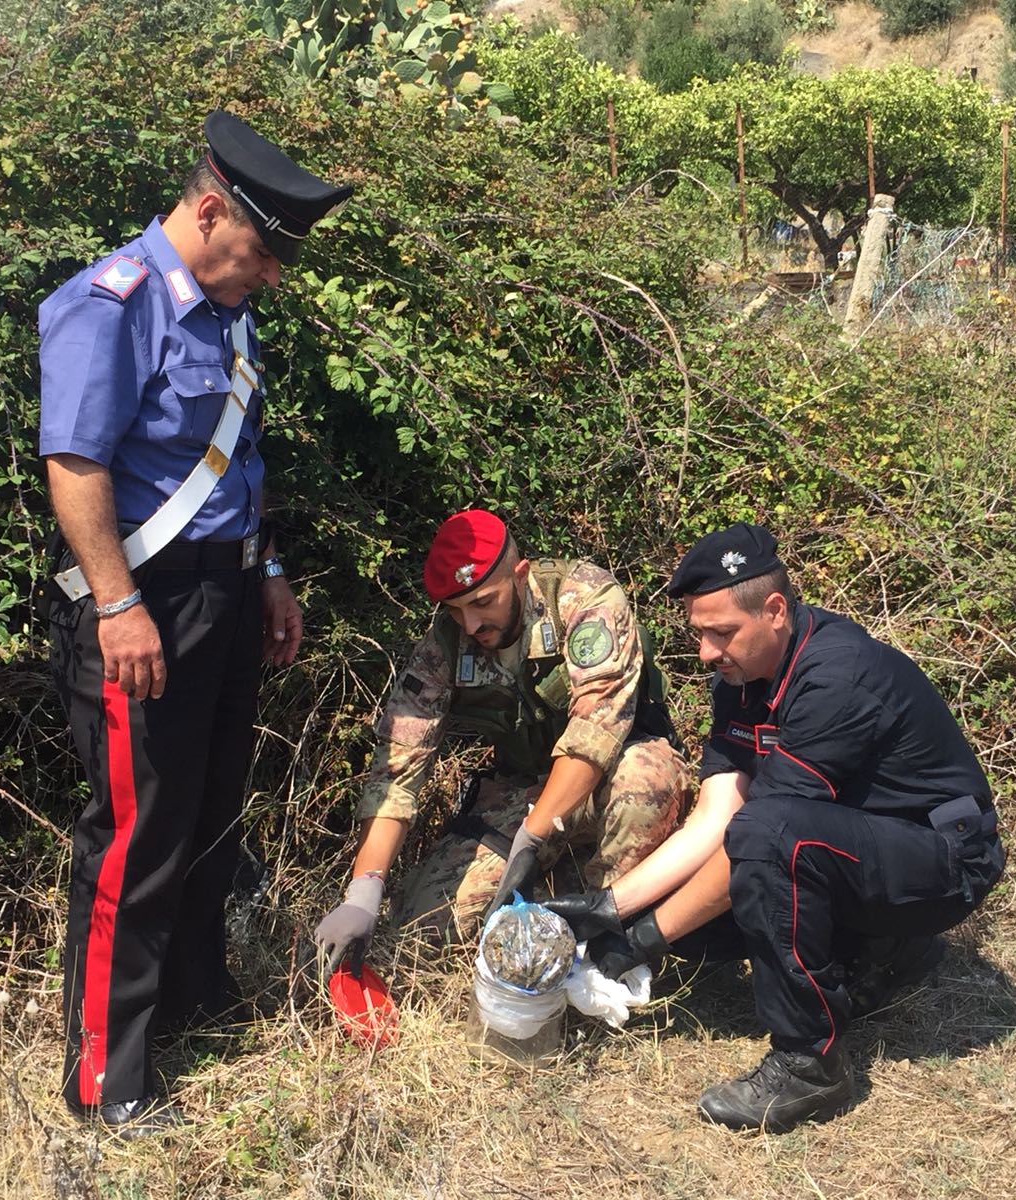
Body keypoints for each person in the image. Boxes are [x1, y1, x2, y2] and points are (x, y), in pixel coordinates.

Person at [37, 110, 352, 1135]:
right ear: (209, 211)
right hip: (142, 605)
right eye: (260, 253)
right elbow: (75, 467)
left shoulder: (225, 308)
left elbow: (234, 465)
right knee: (137, 839)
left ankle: (192, 1000)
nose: (268, 277)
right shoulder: (111, 304)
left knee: (212, 808)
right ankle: (106, 1076)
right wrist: (120, 606)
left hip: (222, 590)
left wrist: (265, 571)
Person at [548, 522, 1005, 1133]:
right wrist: (612, 907)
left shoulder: (837, 676)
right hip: (853, 852)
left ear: (774, 610)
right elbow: (716, 817)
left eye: (721, 633)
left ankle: (811, 1066)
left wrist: (643, 939)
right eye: (698, 634)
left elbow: (758, 840)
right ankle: (881, 951)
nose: (707, 652)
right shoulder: (741, 681)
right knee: (690, 923)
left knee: (763, 840)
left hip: (943, 861)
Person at [313, 509, 691, 971]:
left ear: (520, 574)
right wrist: (364, 890)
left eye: (483, 602)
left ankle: (610, 945)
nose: (471, 624)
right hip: (524, 792)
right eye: (456, 609)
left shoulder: (582, 599)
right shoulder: (447, 645)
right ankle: (557, 898)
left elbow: (596, 733)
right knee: (426, 931)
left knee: (644, 780)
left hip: (610, 781)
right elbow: (397, 767)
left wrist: (531, 838)